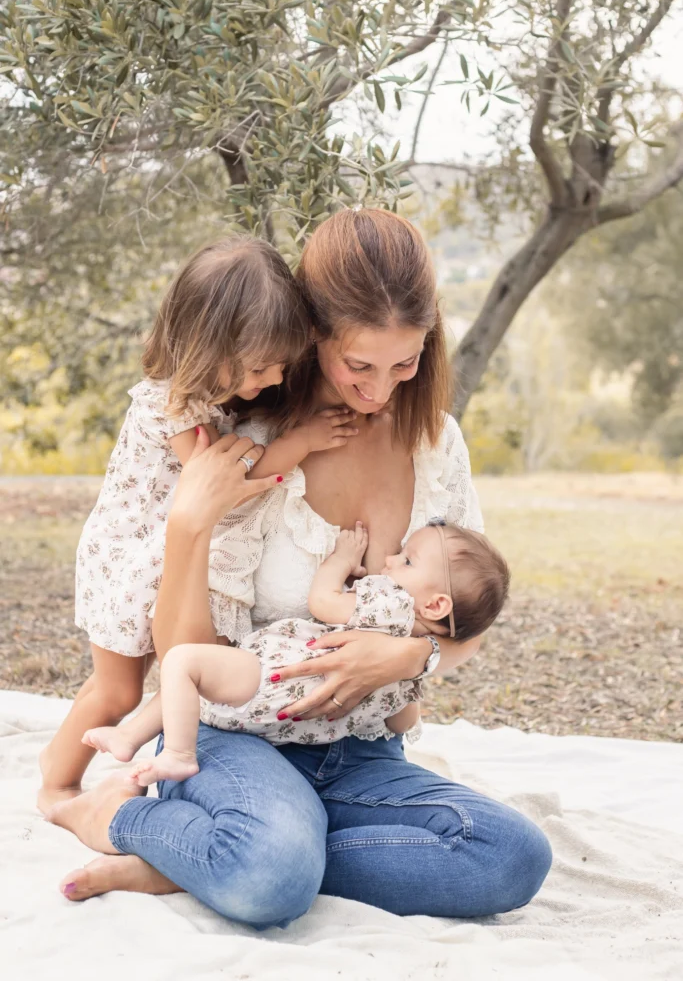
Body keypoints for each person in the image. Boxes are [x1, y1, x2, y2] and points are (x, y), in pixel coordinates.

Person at [50, 208, 552, 926]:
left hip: (361, 751)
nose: (380, 392)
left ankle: (231, 849)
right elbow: (183, 652)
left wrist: (406, 655)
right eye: (359, 366)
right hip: (233, 735)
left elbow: (465, 619)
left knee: (510, 859)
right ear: (313, 336)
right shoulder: (247, 444)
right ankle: (123, 818)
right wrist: (192, 522)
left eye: (404, 364)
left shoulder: (436, 446)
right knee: (270, 884)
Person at [38, 235, 358, 814]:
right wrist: (302, 442)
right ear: (206, 346)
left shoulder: (215, 396)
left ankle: (135, 757)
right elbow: (228, 478)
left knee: (178, 677)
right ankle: (56, 780)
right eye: (260, 367)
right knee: (117, 689)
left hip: (166, 553)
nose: (272, 378)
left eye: (281, 365)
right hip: (130, 556)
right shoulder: (170, 404)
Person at [81, 519, 510, 784]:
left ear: (434, 604)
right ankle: (136, 741)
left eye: (408, 562)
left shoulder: (391, 603)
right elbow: (401, 724)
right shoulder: (406, 677)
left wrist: (342, 560)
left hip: (270, 676)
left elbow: (324, 602)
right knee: (193, 678)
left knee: (183, 664)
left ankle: (165, 749)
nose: (392, 560)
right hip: (296, 726)